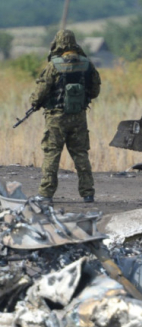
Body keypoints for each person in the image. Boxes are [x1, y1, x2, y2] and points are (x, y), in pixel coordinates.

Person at [30, 29, 101, 204]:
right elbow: (95, 90)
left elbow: (41, 91)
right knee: (80, 154)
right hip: (78, 117)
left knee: (52, 154)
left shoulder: (54, 65)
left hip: (56, 118)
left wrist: (34, 103)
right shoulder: (87, 64)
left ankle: (46, 194)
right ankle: (88, 193)